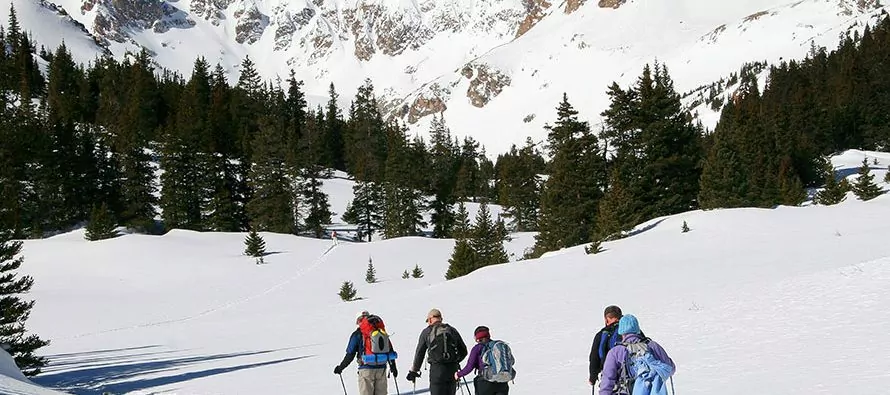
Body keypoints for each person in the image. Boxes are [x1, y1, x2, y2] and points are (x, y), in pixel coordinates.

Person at [598, 315, 675, 395]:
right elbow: (670, 368)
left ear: (621, 331)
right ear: (637, 329)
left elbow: (607, 380)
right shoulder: (652, 346)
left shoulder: (616, 351)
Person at [333, 311, 398, 395]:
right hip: (381, 369)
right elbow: (389, 350)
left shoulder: (357, 334)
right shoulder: (381, 332)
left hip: (366, 369)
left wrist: (341, 367)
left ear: (358, 321)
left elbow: (350, 354)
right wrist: (393, 367)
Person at [406, 308, 468, 395]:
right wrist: (455, 361)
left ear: (430, 319)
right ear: (441, 319)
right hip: (452, 370)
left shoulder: (427, 332)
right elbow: (464, 351)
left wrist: (414, 370)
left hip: (437, 370)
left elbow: (420, 353)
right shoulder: (451, 330)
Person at [455, 326, 512, 395]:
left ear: (477, 338)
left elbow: (469, 367)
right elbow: (511, 361)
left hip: (485, 382)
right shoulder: (498, 346)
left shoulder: (477, 348)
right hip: (502, 381)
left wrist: (458, 374)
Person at [590, 305, 634, 389]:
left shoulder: (602, 334)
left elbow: (594, 358)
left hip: (610, 378)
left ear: (606, 319)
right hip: (633, 376)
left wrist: (593, 377)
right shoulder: (633, 331)